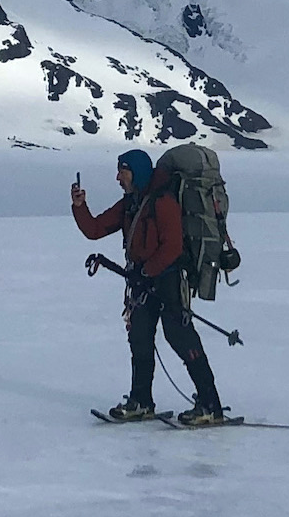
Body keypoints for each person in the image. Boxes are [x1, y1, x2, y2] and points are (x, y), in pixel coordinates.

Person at [73, 148, 229, 424]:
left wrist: (148, 272)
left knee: (180, 337)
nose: (118, 177)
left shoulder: (164, 202)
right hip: (142, 280)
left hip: (168, 280)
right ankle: (141, 401)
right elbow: (95, 229)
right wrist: (79, 206)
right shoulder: (131, 203)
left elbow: (172, 246)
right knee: (140, 339)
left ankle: (210, 404)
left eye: (123, 171)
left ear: (138, 171)